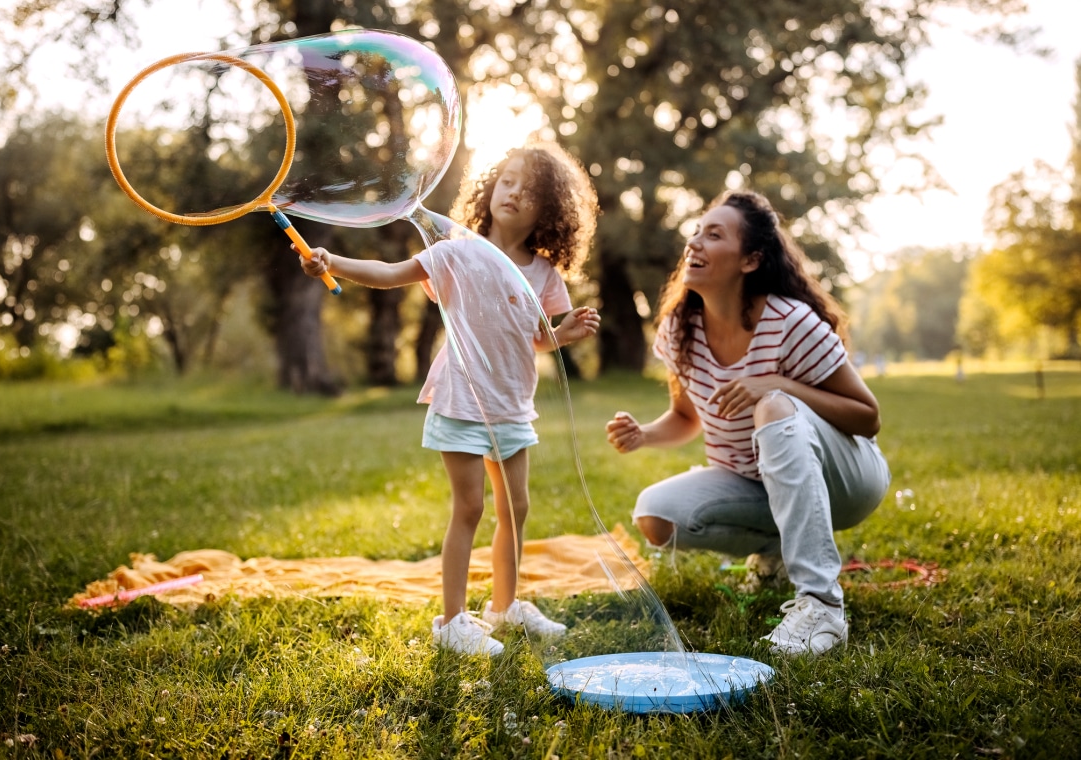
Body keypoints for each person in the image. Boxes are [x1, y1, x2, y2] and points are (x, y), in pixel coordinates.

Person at [300, 142, 600, 656]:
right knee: (470, 507)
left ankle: (505, 607)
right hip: (461, 400)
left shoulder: (544, 273)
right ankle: (453, 621)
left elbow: (535, 338)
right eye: (507, 181)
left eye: (529, 190)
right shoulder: (457, 251)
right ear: (489, 190)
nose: (514, 193)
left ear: (549, 210)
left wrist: (564, 333)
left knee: (517, 508)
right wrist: (333, 262)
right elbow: (390, 273)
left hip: (511, 404)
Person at [605, 190, 890, 657]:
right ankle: (778, 551)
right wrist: (645, 435)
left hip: (849, 480)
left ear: (751, 260)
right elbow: (685, 417)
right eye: (696, 232)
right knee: (655, 515)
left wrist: (777, 384)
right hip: (755, 481)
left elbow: (868, 417)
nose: (694, 243)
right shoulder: (681, 329)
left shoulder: (790, 321)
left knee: (774, 407)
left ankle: (821, 604)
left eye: (714, 235)